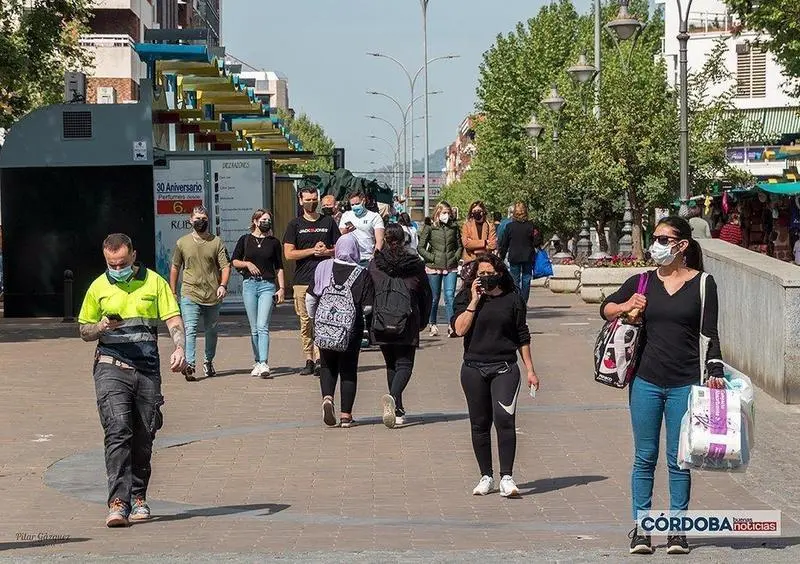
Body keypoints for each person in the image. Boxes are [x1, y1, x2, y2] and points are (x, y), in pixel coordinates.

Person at [601, 216, 724, 555]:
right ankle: (642, 531)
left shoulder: (703, 283)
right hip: (645, 381)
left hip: (686, 383)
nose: (656, 244)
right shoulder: (641, 281)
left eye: (662, 238)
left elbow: (710, 333)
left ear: (682, 245)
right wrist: (627, 306)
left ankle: (677, 533)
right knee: (644, 457)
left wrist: (714, 368)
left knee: (678, 459)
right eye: (654, 238)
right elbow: (606, 308)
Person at [78, 233, 186, 527]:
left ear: (133, 256)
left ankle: (138, 496)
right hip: (110, 365)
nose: (117, 268)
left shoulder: (154, 282)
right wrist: (101, 325)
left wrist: (180, 347)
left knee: (143, 435)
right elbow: (84, 331)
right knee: (117, 430)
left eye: (122, 262)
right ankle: (117, 502)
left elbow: (173, 320)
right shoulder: (98, 287)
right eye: (111, 264)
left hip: (147, 368)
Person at [451, 254, 539, 498]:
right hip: (473, 369)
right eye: (482, 274)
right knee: (479, 423)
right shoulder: (466, 298)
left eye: (491, 274)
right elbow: (459, 330)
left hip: (504, 367)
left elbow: (522, 334)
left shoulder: (513, 298)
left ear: (500, 273)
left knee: (504, 419)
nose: (487, 279)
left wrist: (530, 369)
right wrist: (473, 301)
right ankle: (486, 476)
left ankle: (507, 477)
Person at [306, 234, 374, 428]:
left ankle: (327, 398)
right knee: (349, 370)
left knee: (327, 365)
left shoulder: (323, 267)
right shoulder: (362, 273)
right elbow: (368, 308)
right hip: (350, 330)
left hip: (325, 327)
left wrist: (314, 319)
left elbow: (311, 298)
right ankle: (346, 416)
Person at [368, 224, 432, 428]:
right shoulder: (415, 264)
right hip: (407, 319)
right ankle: (393, 397)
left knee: (391, 364)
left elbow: (369, 291)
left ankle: (396, 409)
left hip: (381, 320)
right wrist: (424, 320)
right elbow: (426, 294)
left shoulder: (376, 264)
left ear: (385, 240)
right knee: (405, 364)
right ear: (404, 240)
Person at [169, 206, 230, 381]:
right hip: (190, 292)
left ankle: (208, 361)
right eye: (197, 218)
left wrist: (223, 285)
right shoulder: (182, 242)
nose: (200, 221)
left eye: (204, 218)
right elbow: (175, 267)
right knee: (190, 329)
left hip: (212, 294)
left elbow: (225, 266)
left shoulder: (216, 242)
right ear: (190, 220)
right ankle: (190, 364)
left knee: (211, 331)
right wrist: (173, 291)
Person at [284, 187, 339, 376]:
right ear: (300, 201)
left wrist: (327, 252)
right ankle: (308, 358)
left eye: (314, 199)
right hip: (302, 281)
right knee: (306, 322)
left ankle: (320, 359)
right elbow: (289, 254)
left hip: (325, 280)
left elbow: (339, 249)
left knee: (323, 320)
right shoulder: (295, 225)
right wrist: (311, 251)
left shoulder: (328, 222)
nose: (311, 202)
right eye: (307, 199)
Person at [232, 209, 285, 379]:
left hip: (267, 285)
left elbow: (279, 267)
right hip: (249, 285)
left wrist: (281, 288)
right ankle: (256, 361)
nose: (266, 223)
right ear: (255, 221)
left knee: (263, 326)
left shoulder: (274, 242)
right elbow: (234, 261)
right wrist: (247, 264)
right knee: (254, 327)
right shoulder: (245, 240)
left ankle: (264, 362)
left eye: (268, 220)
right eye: (263, 220)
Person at [418, 201, 462, 337]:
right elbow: (421, 247)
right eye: (444, 213)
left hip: (451, 266)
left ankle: (451, 325)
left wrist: (455, 257)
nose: (446, 215)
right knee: (434, 297)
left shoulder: (454, 227)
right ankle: (433, 324)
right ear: (437, 213)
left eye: (448, 213)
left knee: (450, 296)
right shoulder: (430, 227)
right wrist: (431, 258)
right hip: (434, 267)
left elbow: (459, 245)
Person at [499, 201, 543, 305]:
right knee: (526, 279)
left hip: (514, 256)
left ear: (514, 213)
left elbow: (504, 244)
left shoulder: (510, 227)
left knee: (515, 280)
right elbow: (537, 241)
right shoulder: (531, 226)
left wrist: (501, 256)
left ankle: (517, 300)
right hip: (528, 256)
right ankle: (524, 301)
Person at [339, 190, 385, 266]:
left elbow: (380, 240)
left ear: (363, 201)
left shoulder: (375, 216)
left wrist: (374, 257)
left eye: (357, 204)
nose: (355, 207)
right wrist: (346, 230)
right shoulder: (346, 215)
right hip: (349, 258)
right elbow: (340, 234)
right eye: (352, 205)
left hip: (367, 258)